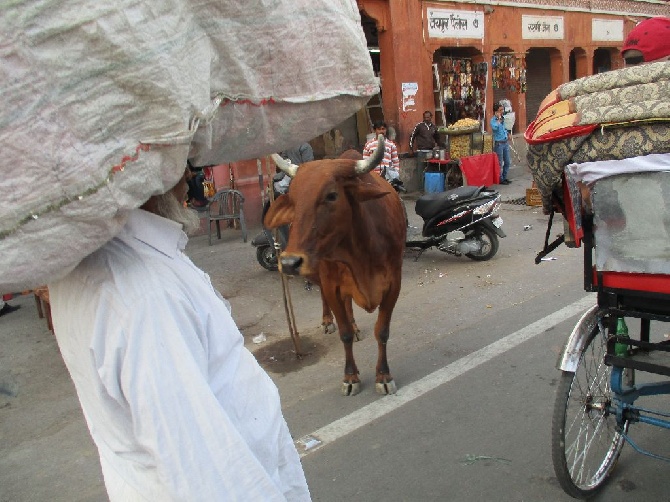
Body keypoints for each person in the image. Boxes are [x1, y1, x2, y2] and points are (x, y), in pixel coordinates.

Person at [48, 168, 311, 501]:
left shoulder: (97, 265)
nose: (188, 172)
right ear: (134, 175)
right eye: (171, 159)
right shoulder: (147, 296)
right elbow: (201, 471)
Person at [491, 103, 511, 185]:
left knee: (507, 161)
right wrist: (498, 120)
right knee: (499, 163)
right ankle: (500, 179)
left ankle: (504, 176)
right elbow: (494, 128)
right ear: (496, 112)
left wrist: (508, 133)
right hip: (499, 144)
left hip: (505, 142)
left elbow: (504, 128)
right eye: (500, 110)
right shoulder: (493, 120)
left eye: (502, 110)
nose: (502, 112)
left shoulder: (502, 119)